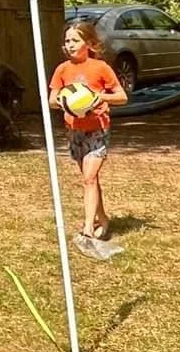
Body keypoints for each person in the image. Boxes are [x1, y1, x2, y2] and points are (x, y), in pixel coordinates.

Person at [49, 18, 128, 248]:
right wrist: (66, 102)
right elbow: (53, 100)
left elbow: (122, 97)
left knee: (89, 178)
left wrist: (97, 98)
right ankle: (102, 218)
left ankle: (88, 228)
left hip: (98, 129)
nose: (70, 45)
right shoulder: (62, 70)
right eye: (67, 41)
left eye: (75, 40)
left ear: (89, 43)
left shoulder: (100, 68)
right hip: (75, 130)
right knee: (89, 180)